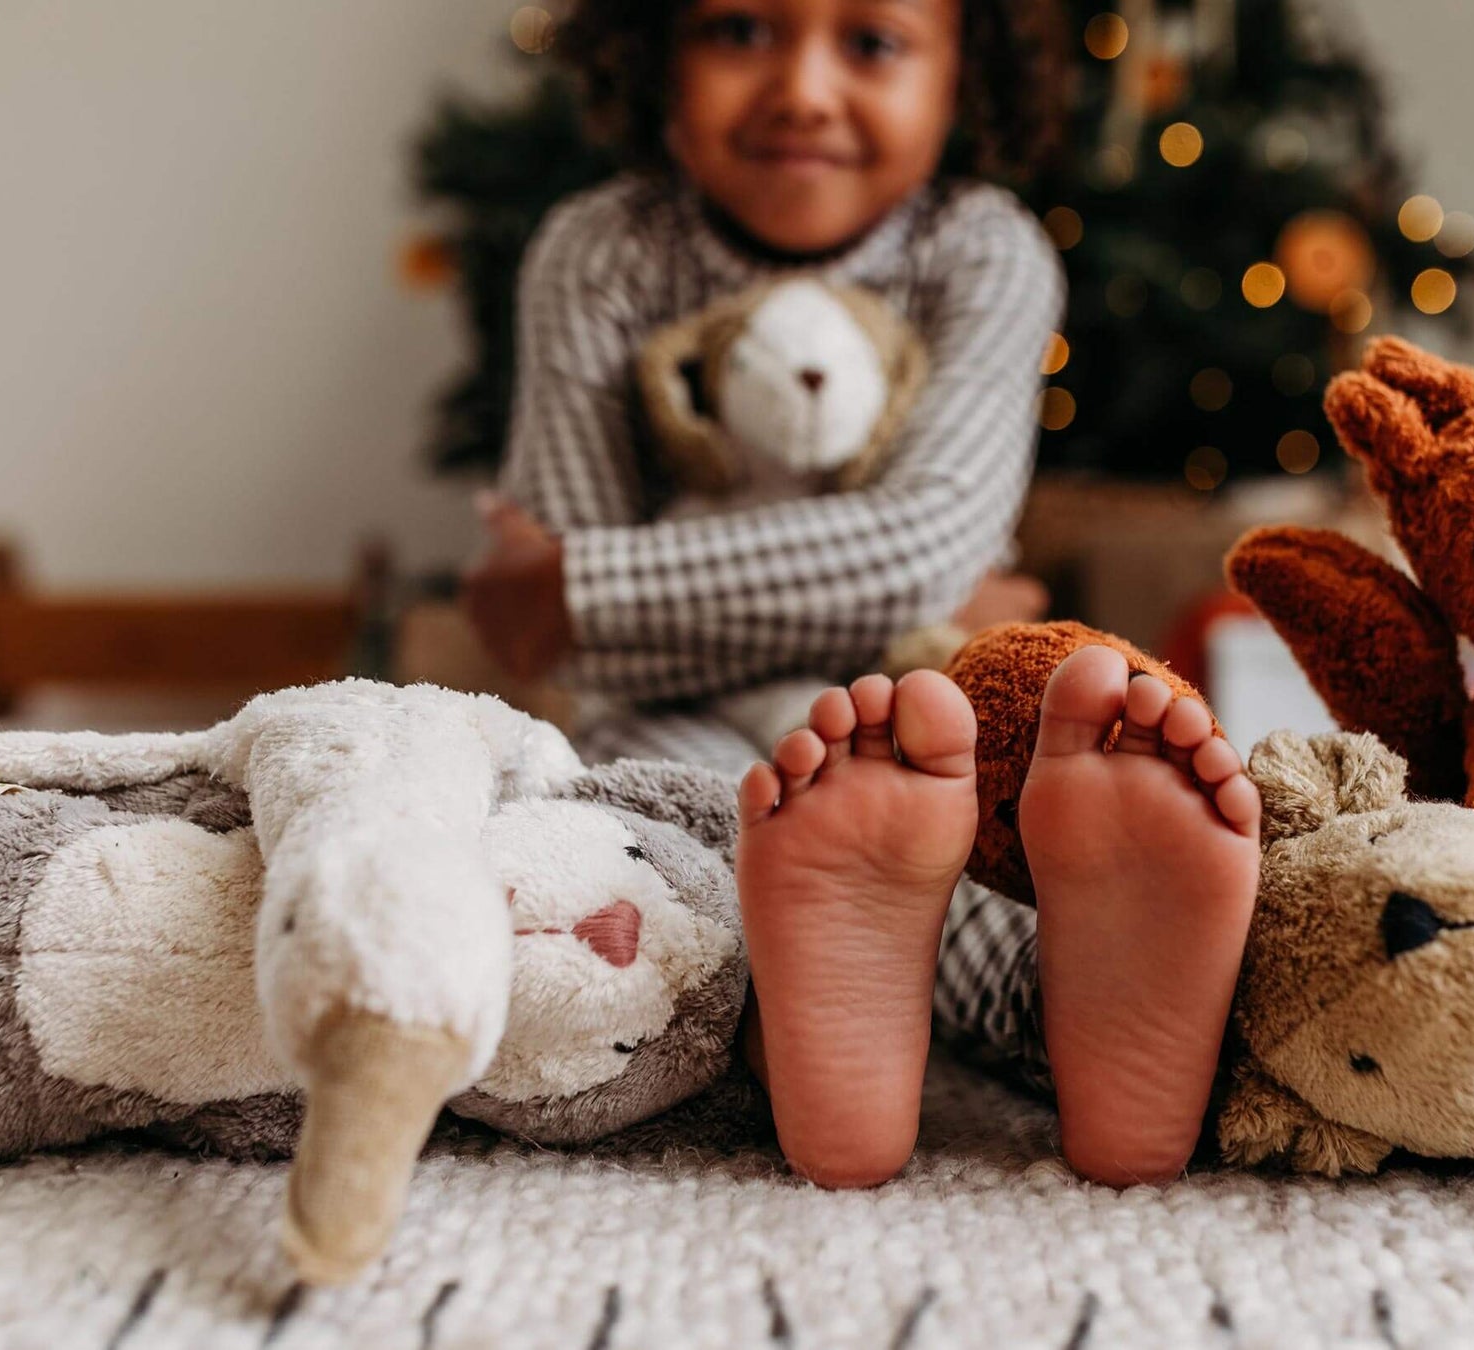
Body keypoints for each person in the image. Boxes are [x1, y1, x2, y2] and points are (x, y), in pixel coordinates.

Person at [463, 0, 1258, 1190]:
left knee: (960, 867)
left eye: (872, 43)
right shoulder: (602, 247)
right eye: (738, 29)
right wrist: (894, 579)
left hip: (925, 725)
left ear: (963, 73)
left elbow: (918, 547)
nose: (804, 88)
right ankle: (814, 1019)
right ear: (653, 49)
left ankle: (1075, 1003)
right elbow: (595, 659)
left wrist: (585, 584)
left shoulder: (981, 249)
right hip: (714, 714)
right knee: (650, 866)